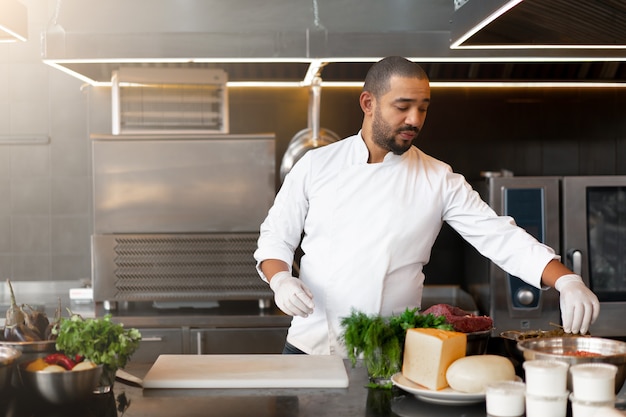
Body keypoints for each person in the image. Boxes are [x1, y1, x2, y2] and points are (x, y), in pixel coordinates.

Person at [253, 56, 600, 356]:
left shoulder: (438, 178)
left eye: (423, 108)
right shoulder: (316, 165)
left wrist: (566, 279)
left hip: (392, 354)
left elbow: (498, 235)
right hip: (311, 346)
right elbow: (275, 237)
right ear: (368, 103)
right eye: (403, 107)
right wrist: (281, 279)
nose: (415, 120)